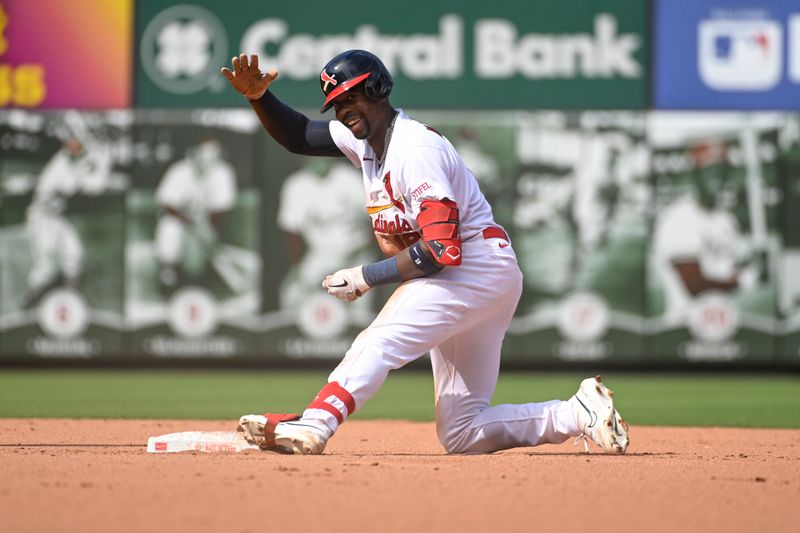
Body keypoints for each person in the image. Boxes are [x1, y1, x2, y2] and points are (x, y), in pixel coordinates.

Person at [221, 50, 629, 455]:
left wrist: (367, 276)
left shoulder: (414, 151)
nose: (345, 110)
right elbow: (299, 135)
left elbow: (441, 249)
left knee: (377, 341)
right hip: (485, 273)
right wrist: (260, 97)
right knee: (462, 432)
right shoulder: (365, 140)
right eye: (337, 103)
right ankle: (577, 414)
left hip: (471, 267)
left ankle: (316, 422)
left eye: (352, 96)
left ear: (378, 88)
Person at [22, 131, 112, 309]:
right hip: (41, 217)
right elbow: (85, 188)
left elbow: (97, 184)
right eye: (71, 145)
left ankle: (72, 298)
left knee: (74, 254)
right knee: (46, 265)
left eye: (77, 145)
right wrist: (99, 164)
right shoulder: (58, 168)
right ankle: (29, 297)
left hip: (57, 217)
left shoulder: (77, 160)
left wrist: (103, 163)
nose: (75, 149)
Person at [154, 138, 236, 290]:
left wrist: (211, 234)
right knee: (168, 228)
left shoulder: (223, 172)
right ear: (193, 153)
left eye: (214, 155)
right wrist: (191, 225)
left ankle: (207, 263)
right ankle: (168, 269)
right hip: (178, 220)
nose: (208, 160)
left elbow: (220, 211)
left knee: (194, 271)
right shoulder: (178, 171)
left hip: (203, 221)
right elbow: (166, 206)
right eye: (204, 153)